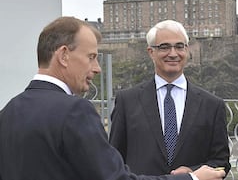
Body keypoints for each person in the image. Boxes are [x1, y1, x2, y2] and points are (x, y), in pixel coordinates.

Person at [0, 16, 225, 180]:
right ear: (64, 56)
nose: (97, 68)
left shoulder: (8, 112)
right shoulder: (75, 111)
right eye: (91, 57)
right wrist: (192, 179)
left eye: (179, 47)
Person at [109, 20, 231, 176]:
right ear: (151, 52)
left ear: (187, 50)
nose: (173, 53)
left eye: (179, 46)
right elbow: (113, 159)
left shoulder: (212, 105)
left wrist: (191, 173)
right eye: (164, 47)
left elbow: (221, 162)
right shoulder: (127, 101)